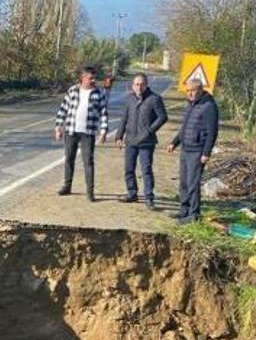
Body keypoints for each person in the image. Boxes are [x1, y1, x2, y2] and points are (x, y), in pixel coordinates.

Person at [167, 78, 219, 223]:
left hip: (197, 151)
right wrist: (174, 142)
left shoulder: (209, 106)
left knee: (192, 183)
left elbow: (212, 132)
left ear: (200, 89)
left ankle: (194, 214)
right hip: (185, 149)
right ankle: (184, 210)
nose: (189, 93)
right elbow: (185, 127)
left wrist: (206, 153)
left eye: (193, 90)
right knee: (183, 183)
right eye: (188, 91)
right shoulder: (191, 104)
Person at [54, 66, 109, 202]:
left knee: (88, 162)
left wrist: (103, 131)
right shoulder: (73, 90)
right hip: (71, 130)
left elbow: (103, 113)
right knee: (69, 159)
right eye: (90, 78)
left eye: (94, 78)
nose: (93, 80)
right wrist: (58, 127)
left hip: (88, 132)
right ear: (83, 78)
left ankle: (90, 192)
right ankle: (67, 187)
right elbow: (63, 109)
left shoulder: (98, 93)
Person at [115, 73, 168, 209]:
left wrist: (150, 130)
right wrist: (119, 136)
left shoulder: (154, 99)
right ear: (133, 86)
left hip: (146, 141)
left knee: (146, 169)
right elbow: (124, 118)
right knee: (129, 168)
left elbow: (162, 117)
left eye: (142, 84)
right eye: (136, 84)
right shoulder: (129, 99)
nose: (139, 87)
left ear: (146, 85)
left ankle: (149, 197)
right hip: (130, 140)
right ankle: (132, 193)